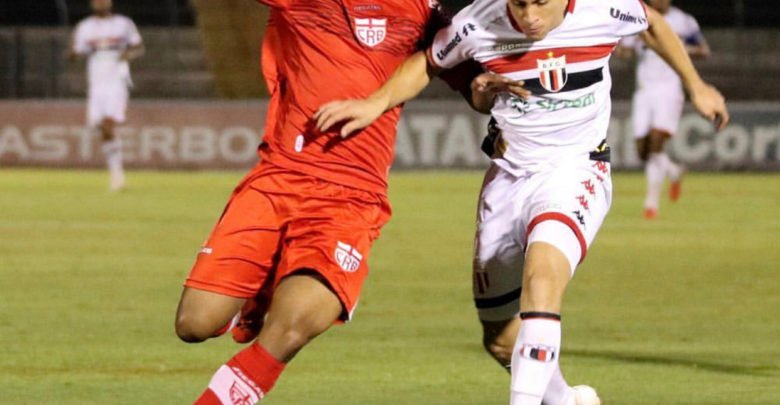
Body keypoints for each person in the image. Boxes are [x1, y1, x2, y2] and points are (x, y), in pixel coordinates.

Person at [314, 0, 729, 403]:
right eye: (519, 5)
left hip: (574, 170)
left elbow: (652, 22)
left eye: (540, 4)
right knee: (499, 338)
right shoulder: (478, 22)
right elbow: (428, 63)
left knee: (542, 279)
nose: (530, 17)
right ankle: (566, 401)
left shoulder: (601, 8)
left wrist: (697, 86)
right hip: (507, 181)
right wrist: (378, 102)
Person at [173, 1, 456, 403]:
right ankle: (260, 291)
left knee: (293, 324)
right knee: (194, 323)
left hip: (351, 196)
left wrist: (490, 90)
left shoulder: (423, 10)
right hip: (278, 179)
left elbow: (460, 64)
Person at [616, 0, 710, 219]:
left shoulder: (683, 21)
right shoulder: (637, 16)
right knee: (643, 151)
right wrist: (627, 48)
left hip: (669, 89)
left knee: (657, 141)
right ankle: (674, 170)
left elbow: (704, 50)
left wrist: (680, 49)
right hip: (644, 91)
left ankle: (651, 203)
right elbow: (623, 52)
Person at [70, 0, 144, 192]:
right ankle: (116, 170)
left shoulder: (123, 24)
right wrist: (74, 53)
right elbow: (75, 53)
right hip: (96, 84)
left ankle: (117, 176)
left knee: (108, 124)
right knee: (101, 127)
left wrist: (127, 55)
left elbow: (138, 47)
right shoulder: (85, 27)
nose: (101, 3)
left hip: (116, 81)